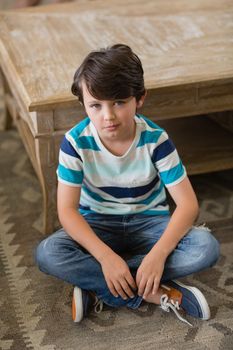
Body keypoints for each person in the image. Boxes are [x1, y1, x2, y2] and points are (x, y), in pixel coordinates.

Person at [35, 44, 220, 326]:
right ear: (84, 103)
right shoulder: (75, 142)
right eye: (95, 105)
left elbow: (187, 204)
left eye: (119, 102)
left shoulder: (156, 140)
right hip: (97, 223)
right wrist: (106, 257)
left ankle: (102, 286)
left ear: (139, 99)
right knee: (48, 253)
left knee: (205, 247)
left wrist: (157, 256)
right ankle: (151, 291)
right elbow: (68, 212)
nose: (107, 116)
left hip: (149, 223)